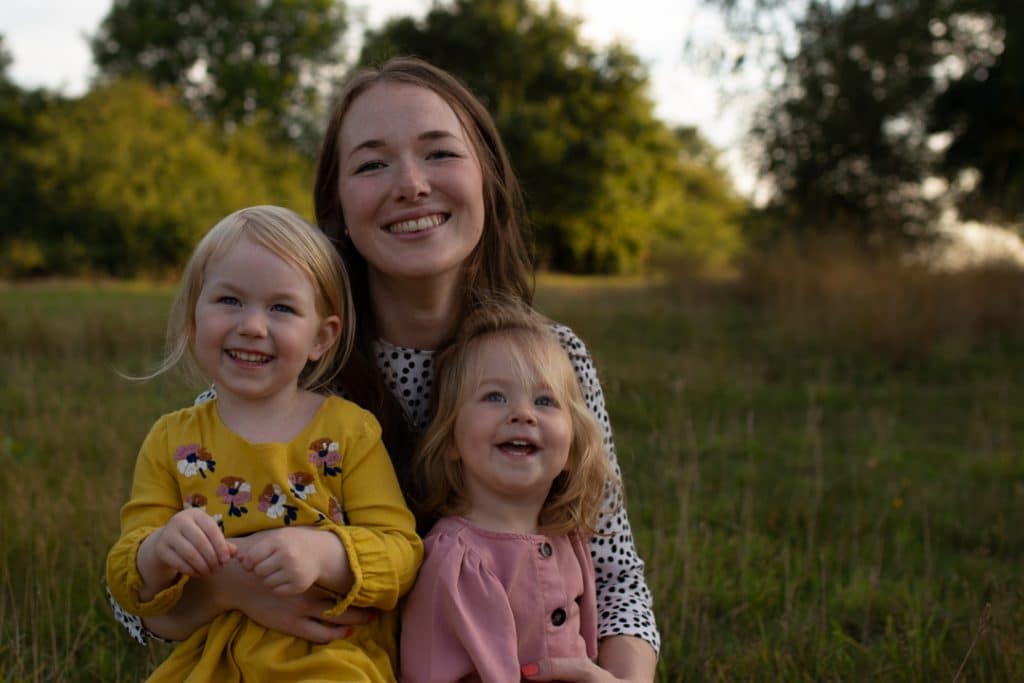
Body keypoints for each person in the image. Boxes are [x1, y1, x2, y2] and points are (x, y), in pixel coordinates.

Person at [109, 57, 659, 681]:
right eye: (372, 163)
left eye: (439, 154)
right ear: (338, 203)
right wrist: (230, 590)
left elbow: (615, 578)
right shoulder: (284, 360)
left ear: (487, 176)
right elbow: (135, 605)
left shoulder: (550, 361)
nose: (412, 185)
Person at [105, 205, 423, 682]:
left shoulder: (347, 432)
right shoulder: (172, 439)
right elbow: (126, 574)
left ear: (321, 336)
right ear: (194, 318)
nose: (253, 325)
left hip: (328, 660)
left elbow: (401, 554)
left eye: (281, 308)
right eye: (229, 301)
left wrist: (323, 555)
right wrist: (158, 550)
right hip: (210, 662)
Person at [399, 300, 615, 682]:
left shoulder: (567, 538)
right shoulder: (455, 561)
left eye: (545, 401)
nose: (523, 414)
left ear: (571, 450)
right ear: (451, 440)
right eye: (494, 397)